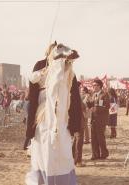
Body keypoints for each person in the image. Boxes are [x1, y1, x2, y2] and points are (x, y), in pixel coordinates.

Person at [25, 42, 82, 185]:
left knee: (56, 151)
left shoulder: (68, 69)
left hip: (60, 118)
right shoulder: (41, 67)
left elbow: (74, 99)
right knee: (49, 152)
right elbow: (33, 99)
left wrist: (74, 124)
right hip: (45, 117)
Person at [87, 79, 110, 160]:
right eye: (93, 85)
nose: (94, 87)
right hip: (93, 119)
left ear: (100, 86)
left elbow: (106, 106)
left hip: (100, 119)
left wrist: (95, 109)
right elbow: (91, 105)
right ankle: (95, 154)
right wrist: (87, 101)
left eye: (95, 85)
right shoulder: (93, 95)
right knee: (93, 138)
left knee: (100, 138)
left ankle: (104, 153)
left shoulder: (104, 95)